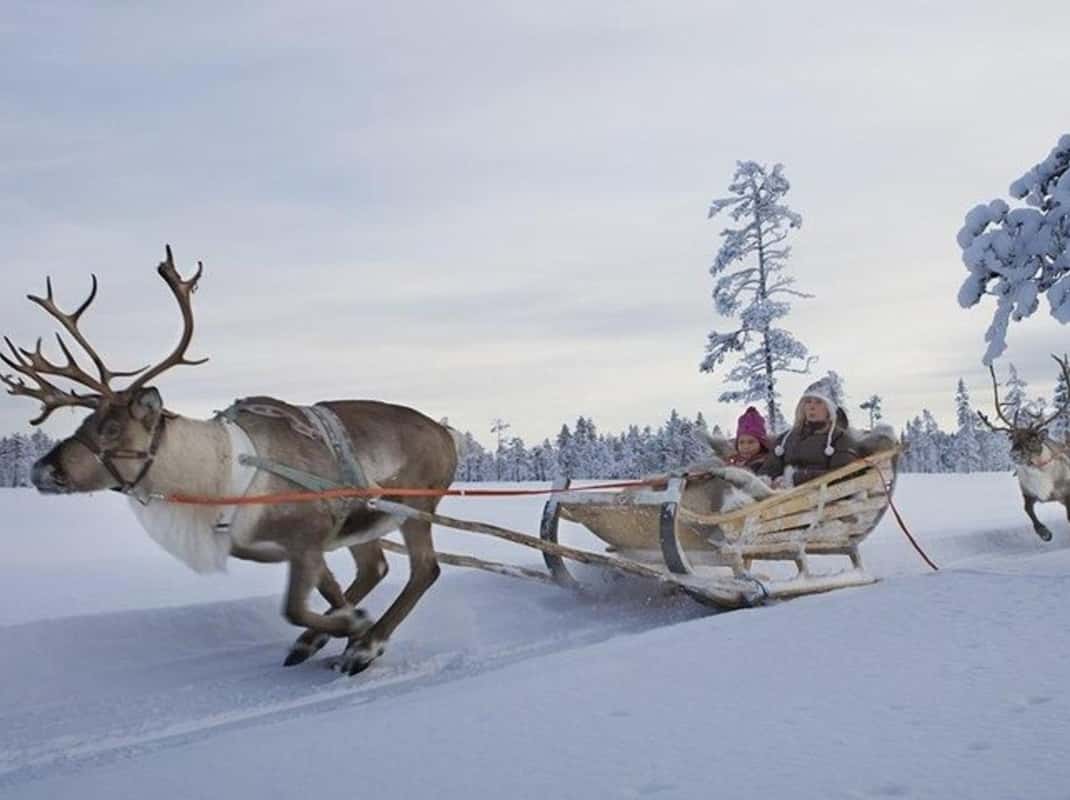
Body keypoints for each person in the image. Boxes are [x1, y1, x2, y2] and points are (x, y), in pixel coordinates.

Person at [761, 378, 857, 488]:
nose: (812, 407)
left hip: (822, 495)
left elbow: (843, 474)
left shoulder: (840, 438)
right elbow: (769, 469)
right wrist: (766, 481)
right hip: (780, 494)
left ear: (829, 409)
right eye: (808, 401)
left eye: (818, 402)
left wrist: (795, 479)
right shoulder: (785, 439)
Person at [727, 406, 769, 472]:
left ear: (761, 443)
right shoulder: (732, 461)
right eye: (741, 442)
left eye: (751, 442)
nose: (746, 447)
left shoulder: (767, 463)